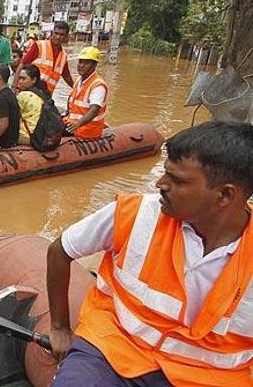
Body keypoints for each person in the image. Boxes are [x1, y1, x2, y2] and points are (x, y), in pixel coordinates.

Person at [47, 121, 253, 387]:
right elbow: (59, 250)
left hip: (207, 377)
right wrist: (60, 327)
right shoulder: (136, 214)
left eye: (176, 180)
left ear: (225, 195)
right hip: (112, 350)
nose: (160, 184)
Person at [14, 21, 74, 95]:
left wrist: (76, 89)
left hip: (46, 95)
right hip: (29, 92)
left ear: (66, 37)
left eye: (62, 35)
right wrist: (14, 87)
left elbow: (67, 77)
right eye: (56, 33)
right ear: (52, 33)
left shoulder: (63, 57)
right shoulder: (39, 46)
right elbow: (21, 66)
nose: (58, 37)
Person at [64, 46, 107, 139]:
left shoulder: (98, 85)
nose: (81, 65)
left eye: (86, 63)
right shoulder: (79, 80)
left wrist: (77, 124)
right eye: (80, 61)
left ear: (94, 65)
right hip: (73, 124)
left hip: (87, 130)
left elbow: (94, 110)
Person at [14, 64, 49, 145]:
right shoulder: (42, 94)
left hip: (26, 136)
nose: (20, 81)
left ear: (33, 80)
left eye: (23, 79)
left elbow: (14, 119)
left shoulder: (23, 96)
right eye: (19, 78)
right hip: (40, 135)